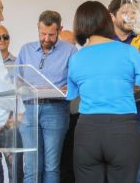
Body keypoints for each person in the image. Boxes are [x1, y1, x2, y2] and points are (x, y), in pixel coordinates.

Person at [67, 1, 140, 183]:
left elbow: (73, 97)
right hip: (122, 130)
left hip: (87, 130)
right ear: (108, 20)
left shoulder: (76, 58)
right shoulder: (129, 52)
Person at [16, 10, 78, 183]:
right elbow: (16, 79)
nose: (46, 39)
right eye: (43, 33)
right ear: (37, 28)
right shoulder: (26, 49)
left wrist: (70, 87)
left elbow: (77, 81)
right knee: (31, 166)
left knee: (51, 166)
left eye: (51, 34)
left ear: (60, 29)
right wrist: (21, 87)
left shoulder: (70, 51)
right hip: (28, 109)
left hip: (56, 109)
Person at [108, 0, 140, 183]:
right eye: (124, 12)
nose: (129, 17)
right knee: (112, 169)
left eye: (133, 12)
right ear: (112, 16)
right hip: (110, 116)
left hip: (139, 115)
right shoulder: (103, 42)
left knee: (138, 169)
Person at [0, 25, 24, 183]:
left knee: (15, 168)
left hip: (11, 122)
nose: (2, 40)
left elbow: (22, 90)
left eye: (5, 36)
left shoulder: (18, 63)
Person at [59, 29, 79, 183]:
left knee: (73, 159)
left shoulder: (81, 62)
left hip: (76, 117)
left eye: (73, 44)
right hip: (56, 116)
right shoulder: (53, 63)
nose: (71, 49)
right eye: (67, 45)